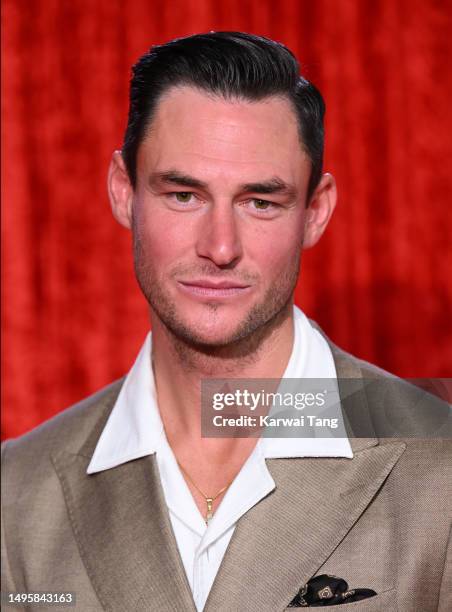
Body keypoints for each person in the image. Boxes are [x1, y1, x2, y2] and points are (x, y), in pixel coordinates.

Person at [1, 32, 450, 612]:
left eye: (260, 202)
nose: (220, 247)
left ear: (315, 212)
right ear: (123, 191)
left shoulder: (439, 468)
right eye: (183, 194)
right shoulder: (17, 494)